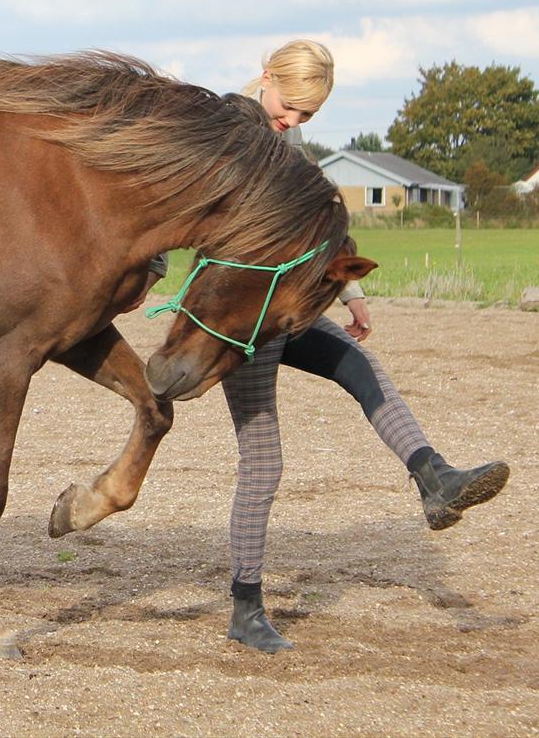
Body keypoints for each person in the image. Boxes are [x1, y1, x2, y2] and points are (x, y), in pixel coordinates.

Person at [135, 40, 509, 654]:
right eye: (291, 107)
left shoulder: (290, 149)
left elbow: (321, 230)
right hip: (238, 321)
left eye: (309, 115)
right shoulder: (228, 133)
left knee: (359, 364)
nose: (294, 122)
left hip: (287, 309)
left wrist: (352, 294)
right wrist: (148, 267)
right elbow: (166, 202)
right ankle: (246, 608)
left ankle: (434, 477)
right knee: (264, 459)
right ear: (266, 77)